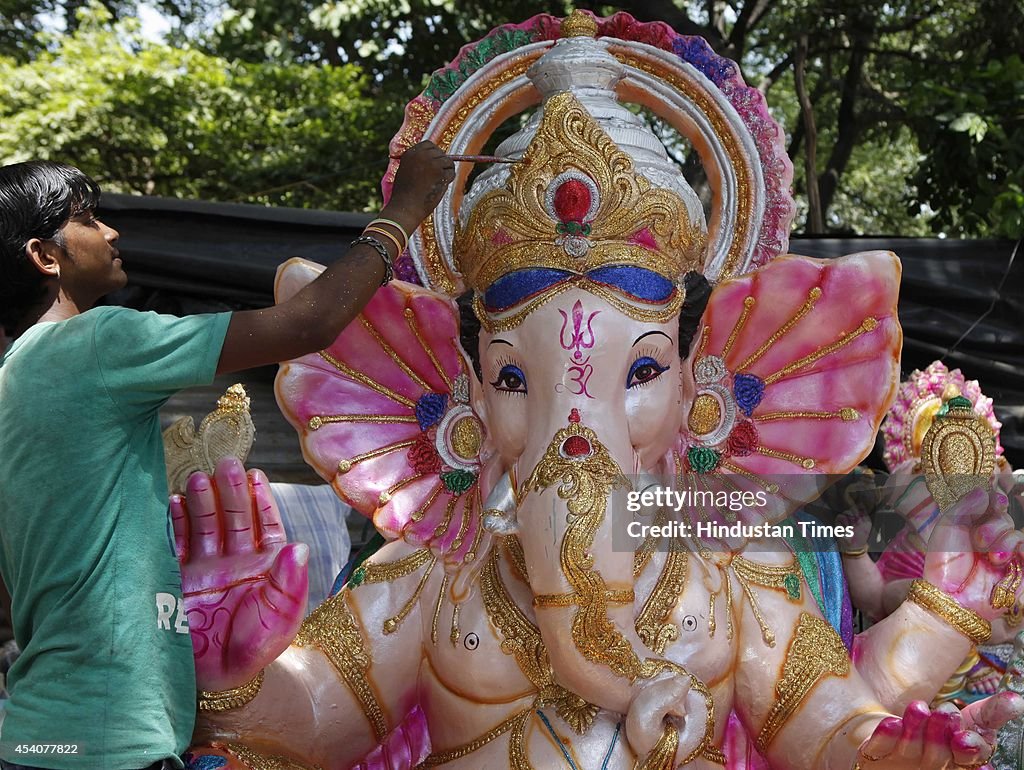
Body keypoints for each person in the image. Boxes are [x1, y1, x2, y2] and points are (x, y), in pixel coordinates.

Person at [0, 144, 454, 770]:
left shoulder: (13, 381)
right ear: (45, 256)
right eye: (86, 217)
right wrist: (405, 207)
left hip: (38, 730)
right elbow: (308, 323)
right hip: (104, 741)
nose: (111, 231)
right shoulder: (99, 340)